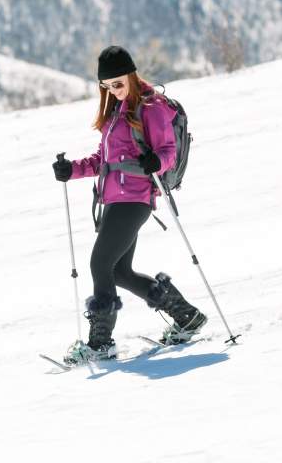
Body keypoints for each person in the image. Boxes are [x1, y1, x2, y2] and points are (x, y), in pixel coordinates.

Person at [52, 45, 207, 362]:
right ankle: (187, 316)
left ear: (133, 76)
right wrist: (72, 170)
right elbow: (102, 160)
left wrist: (156, 163)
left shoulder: (153, 108)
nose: (113, 91)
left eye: (118, 84)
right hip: (113, 199)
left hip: (135, 199)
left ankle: (100, 344)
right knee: (119, 272)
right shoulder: (115, 114)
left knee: (99, 264)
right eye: (107, 87)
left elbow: (167, 152)